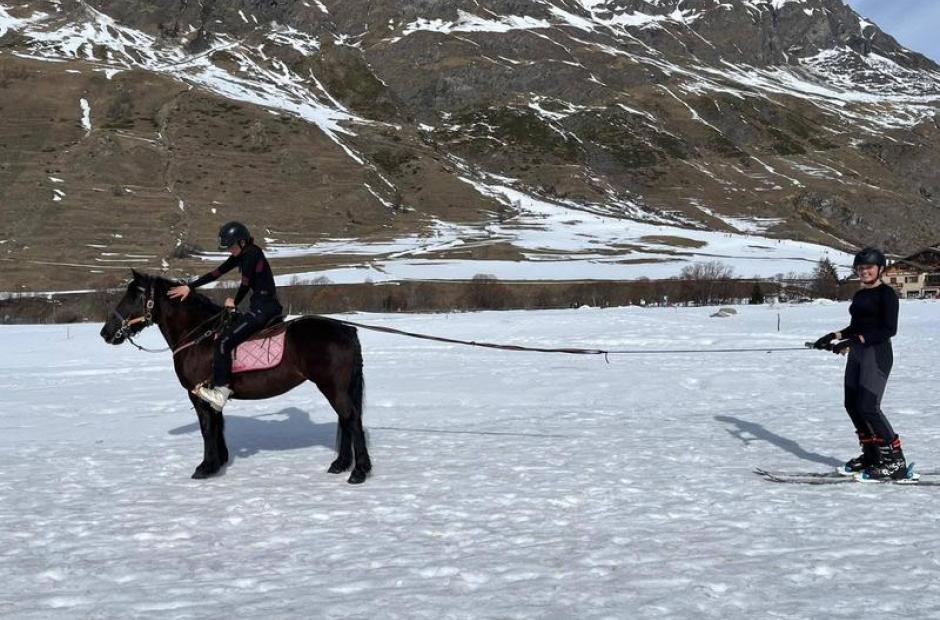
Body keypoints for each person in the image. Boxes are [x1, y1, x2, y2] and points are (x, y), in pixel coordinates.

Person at [812, 247, 906, 480]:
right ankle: (872, 454)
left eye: (869, 268)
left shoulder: (887, 294)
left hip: (877, 354)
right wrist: (833, 336)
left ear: (880, 269)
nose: (864, 271)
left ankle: (895, 462)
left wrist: (855, 340)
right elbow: (856, 326)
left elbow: (888, 329)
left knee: (868, 407)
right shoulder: (861, 295)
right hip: (857, 354)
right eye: (860, 268)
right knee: (852, 404)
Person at [167, 221, 283, 411]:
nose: (229, 250)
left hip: (264, 310)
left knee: (222, 341)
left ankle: (221, 392)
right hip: (259, 306)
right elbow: (216, 273)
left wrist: (234, 302)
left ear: (242, 243)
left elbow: (245, 284)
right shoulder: (242, 254)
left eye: (231, 246)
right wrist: (190, 287)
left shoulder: (252, 254)